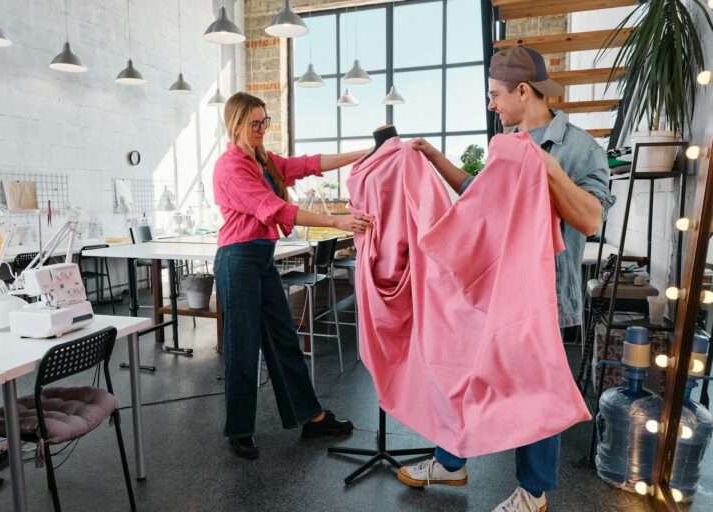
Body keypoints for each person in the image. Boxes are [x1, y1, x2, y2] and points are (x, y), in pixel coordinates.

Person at [397, 46, 614, 512]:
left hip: (543, 297)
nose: (492, 104)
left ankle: (533, 494)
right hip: (490, 293)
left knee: (535, 393)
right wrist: (434, 157)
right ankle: (450, 462)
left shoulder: (579, 147)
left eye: (496, 94)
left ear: (522, 90)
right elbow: (478, 196)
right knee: (463, 373)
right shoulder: (505, 144)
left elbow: (592, 219)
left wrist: (545, 169)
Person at [213, 92, 371, 460]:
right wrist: (335, 220)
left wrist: (362, 154)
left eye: (264, 122)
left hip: (260, 259)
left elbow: (309, 163)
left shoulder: (263, 160)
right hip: (237, 260)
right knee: (242, 345)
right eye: (254, 123)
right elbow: (277, 209)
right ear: (235, 124)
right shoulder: (231, 167)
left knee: (283, 337)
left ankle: (311, 417)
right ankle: (239, 429)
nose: (261, 129)